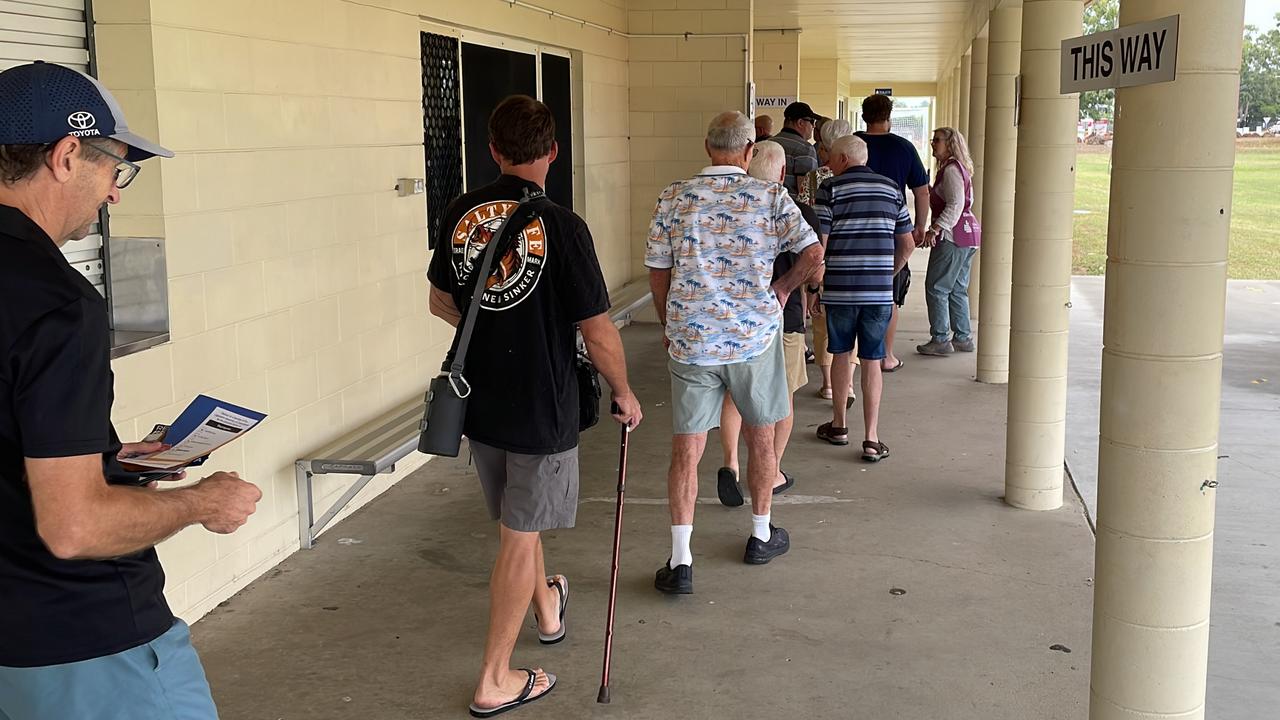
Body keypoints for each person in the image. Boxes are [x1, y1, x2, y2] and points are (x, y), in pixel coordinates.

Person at [0, 61, 263, 720]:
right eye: (116, 169)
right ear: (65, 156)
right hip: (86, 648)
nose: (115, 194)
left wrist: (111, 462)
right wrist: (199, 502)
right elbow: (74, 527)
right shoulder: (56, 303)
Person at [426, 95, 643, 717]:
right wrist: (624, 392)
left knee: (521, 522)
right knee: (519, 537)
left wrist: (489, 324)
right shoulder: (564, 227)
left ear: (494, 151)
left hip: (479, 403)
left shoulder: (464, 211)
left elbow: (441, 300)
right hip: (541, 408)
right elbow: (598, 329)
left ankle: (548, 607)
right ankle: (494, 677)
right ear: (552, 152)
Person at [646, 112, 822, 594]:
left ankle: (681, 561)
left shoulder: (675, 196)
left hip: (693, 342)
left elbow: (658, 270)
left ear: (708, 148)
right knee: (762, 440)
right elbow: (813, 253)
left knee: (687, 449)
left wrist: (669, 321)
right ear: (748, 152)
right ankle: (761, 534)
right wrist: (782, 291)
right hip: (754, 339)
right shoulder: (769, 196)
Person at [714, 141, 816, 506]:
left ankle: (730, 463)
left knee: (732, 394)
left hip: (733, 319)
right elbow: (814, 260)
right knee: (781, 399)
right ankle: (771, 473)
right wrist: (791, 288)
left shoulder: (728, 206)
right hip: (781, 316)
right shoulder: (794, 210)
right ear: (784, 174)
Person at [813, 135, 915, 462]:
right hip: (878, 292)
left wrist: (814, 287)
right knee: (872, 360)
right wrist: (889, 273)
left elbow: (820, 244)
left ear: (843, 159)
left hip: (841, 290)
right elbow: (908, 244)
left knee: (842, 354)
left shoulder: (830, 189)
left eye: (831, 157)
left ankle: (839, 425)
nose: (827, 163)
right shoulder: (890, 190)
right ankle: (871, 439)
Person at [855, 94, 930, 374]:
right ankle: (886, 355)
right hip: (890, 231)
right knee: (889, 293)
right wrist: (919, 226)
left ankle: (851, 356)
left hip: (851, 230)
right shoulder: (904, 148)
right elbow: (921, 191)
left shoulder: (852, 145)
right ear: (889, 116)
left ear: (864, 116)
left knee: (850, 294)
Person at [799, 119, 858, 402]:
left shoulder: (813, 178)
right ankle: (847, 385)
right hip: (854, 259)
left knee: (823, 324)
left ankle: (828, 384)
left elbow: (805, 218)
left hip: (822, 256)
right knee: (852, 327)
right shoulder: (865, 178)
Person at [917, 127, 980, 356]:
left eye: (937, 140)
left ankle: (941, 338)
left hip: (953, 237)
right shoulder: (957, 168)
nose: (933, 143)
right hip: (967, 234)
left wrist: (934, 229)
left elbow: (955, 204)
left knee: (936, 287)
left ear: (950, 143)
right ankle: (962, 337)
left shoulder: (952, 170)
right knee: (957, 289)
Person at [771, 101, 821, 197]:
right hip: (793, 208)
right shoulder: (805, 149)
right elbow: (807, 192)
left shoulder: (767, 143)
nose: (813, 126)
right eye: (812, 121)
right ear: (800, 123)